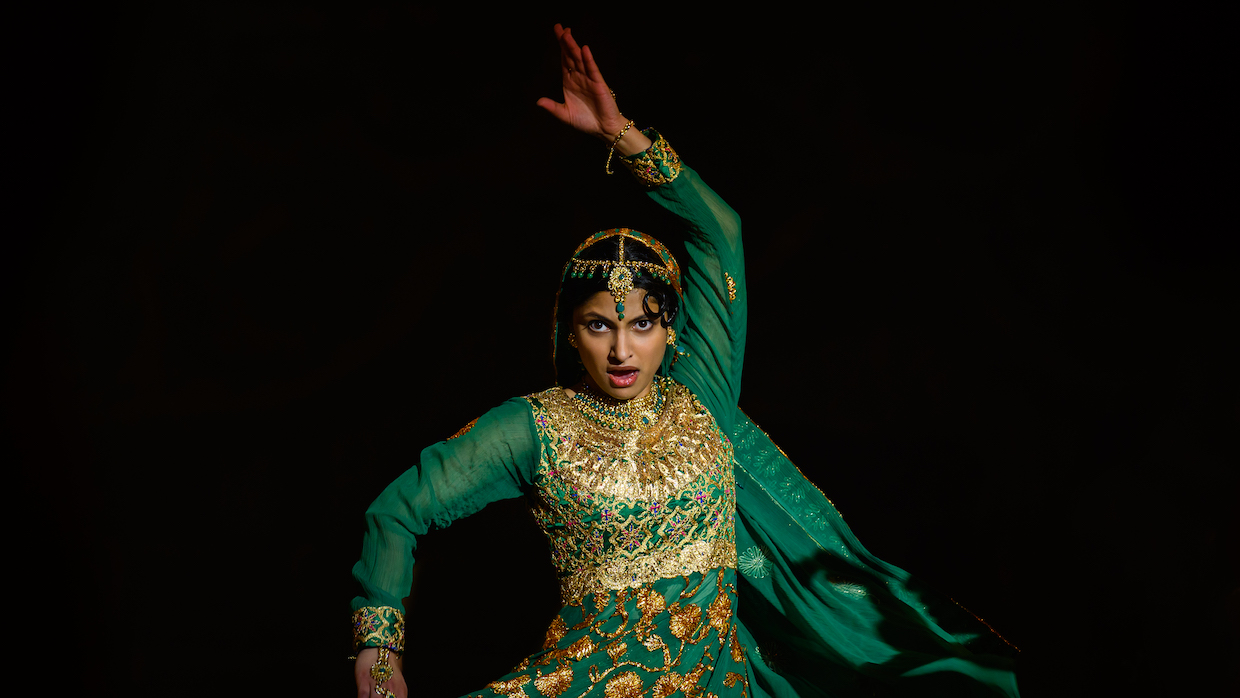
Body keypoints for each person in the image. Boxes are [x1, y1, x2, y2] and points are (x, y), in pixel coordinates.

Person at [350, 24, 1021, 698]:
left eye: (643, 324)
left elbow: (719, 231)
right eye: (599, 326)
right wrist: (379, 659)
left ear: (672, 331)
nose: (621, 349)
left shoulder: (701, 394)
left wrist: (621, 135)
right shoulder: (535, 429)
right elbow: (398, 509)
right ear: (568, 332)